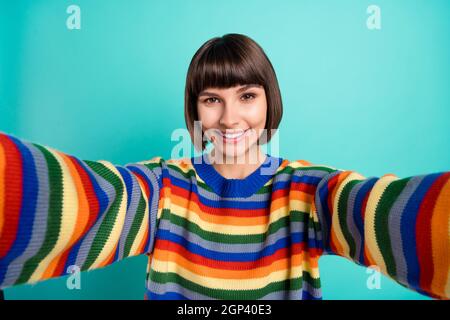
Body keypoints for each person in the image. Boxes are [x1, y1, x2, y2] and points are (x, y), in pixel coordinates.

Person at [0, 34, 448, 300]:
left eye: (247, 96)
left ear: (269, 99)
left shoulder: (308, 191)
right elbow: (93, 200)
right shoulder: (163, 188)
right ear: (194, 108)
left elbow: (383, 212)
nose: (230, 119)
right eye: (212, 99)